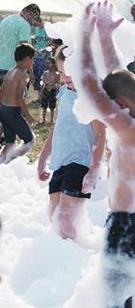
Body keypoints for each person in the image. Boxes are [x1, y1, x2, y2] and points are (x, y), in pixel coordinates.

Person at [75, 2, 135, 308]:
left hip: (127, 225)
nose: (108, 110)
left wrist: (84, 37)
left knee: (112, 306)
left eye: (114, 106)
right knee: (125, 303)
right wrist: (105, 36)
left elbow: (90, 86)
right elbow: (119, 79)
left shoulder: (130, 129)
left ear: (121, 106)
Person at [37, 45, 106, 240]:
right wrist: (44, 157)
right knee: (53, 213)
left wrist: (94, 170)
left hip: (80, 162)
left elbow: (100, 136)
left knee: (66, 220)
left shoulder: (91, 98)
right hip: (60, 161)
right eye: (61, 72)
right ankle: (63, 257)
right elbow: (58, 126)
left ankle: (75, 257)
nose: (65, 76)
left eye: (69, 72)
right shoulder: (65, 93)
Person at [0, 43, 36, 164]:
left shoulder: (10, 72)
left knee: (10, 142)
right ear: (27, 59)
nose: (33, 62)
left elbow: (2, 91)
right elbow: (19, 97)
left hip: (3, 109)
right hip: (12, 111)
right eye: (33, 59)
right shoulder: (23, 75)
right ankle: (10, 160)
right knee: (30, 140)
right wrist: (28, 115)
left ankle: (2, 164)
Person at [0, 4, 42, 74]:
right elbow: (25, 50)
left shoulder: (6, 20)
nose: (32, 21)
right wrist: (31, 71)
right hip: (12, 67)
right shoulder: (24, 24)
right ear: (29, 13)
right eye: (33, 18)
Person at [39, 57, 61, 124]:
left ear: (54, 64)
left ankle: (52, 119)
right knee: (44, 106)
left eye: (49, 63)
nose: (48, 65)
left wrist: (57, 92)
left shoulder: (57, 74)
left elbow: (58, 84)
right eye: (47, 63)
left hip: (53, 91)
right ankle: (43, 119)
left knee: (52, 106)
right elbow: (43, 83)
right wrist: (41, 92)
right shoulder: (45, 73)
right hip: (46, 90)